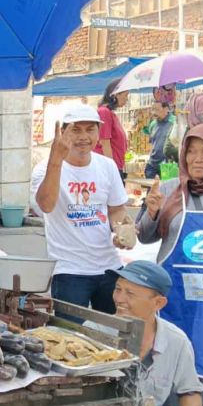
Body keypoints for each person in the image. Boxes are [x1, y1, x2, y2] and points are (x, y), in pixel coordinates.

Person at [138, 123, 203, 406]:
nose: (197, 159)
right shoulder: (169, 190)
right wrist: (152, 212)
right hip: (175, 302)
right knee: (171, 362)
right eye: (191, 151)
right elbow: (144, 235)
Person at [89, 261, 203, 406]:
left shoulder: (176, 340)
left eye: (130, 293)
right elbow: (82, 402)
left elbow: (191, 393)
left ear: (158, 303)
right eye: (118, 289)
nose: (119, 299)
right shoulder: (94, 330)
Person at [31, 103, 130, 318]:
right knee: (69, 337)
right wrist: (56, 161)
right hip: (69, 270)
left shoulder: (107, 166)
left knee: (115, 334)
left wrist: (120, 231)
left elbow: (116, 209)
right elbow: (46, 205)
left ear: (98, 132)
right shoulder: (44, 169)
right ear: (62, 133)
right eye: (76, 130)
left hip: (109, 266)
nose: (83, 137)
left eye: (90, 129)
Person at [94, 78, 129, 180]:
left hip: (116, 165)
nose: (127, 99)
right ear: (116, 94)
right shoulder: (104, 112)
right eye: (126, 95)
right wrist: (111, 169)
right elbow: (105, 142)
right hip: (109, 168)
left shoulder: (110, 113)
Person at [144, 101, 177, 179]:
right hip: (152, 164)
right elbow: (152, 143)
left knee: (167, 189)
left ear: (166, 109)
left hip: (169, 165)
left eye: (157, 109)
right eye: (153, 109)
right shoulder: (153, 124)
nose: (154, 113)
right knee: (151, 190)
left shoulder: (175, 122)